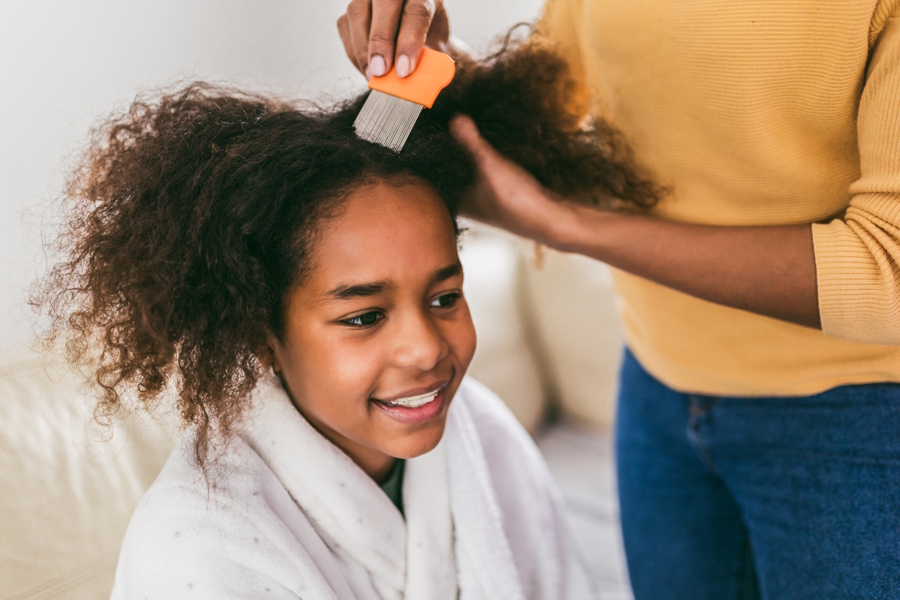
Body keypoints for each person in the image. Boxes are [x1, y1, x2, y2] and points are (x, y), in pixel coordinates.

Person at [34, 42, 660, 599]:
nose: (424, 350)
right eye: (364, 317)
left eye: (445, 298)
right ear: (262, 334)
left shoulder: (484, 433)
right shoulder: (200, 549)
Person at [336, 1, 900, 598]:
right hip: (655, 388)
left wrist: (570, 226)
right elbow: (549, 116)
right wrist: (444, 71)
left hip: (857, 417)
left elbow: (886, 270)